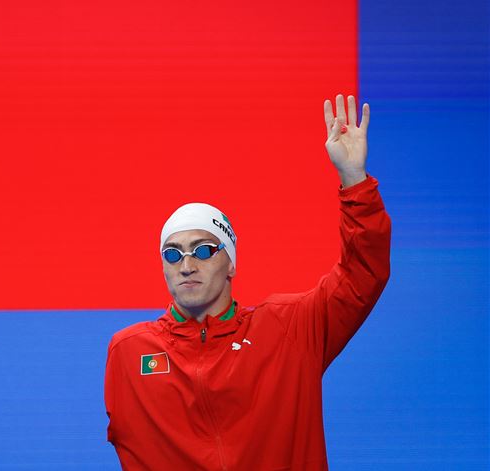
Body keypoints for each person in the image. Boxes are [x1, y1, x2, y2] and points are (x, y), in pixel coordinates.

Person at [103, 95, 391, 470]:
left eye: (203, 250)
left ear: (231, 264)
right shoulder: (128, 352)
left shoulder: (289, 329)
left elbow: (362, 275)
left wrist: (354, 182)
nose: (186, 264)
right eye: (172, 254)